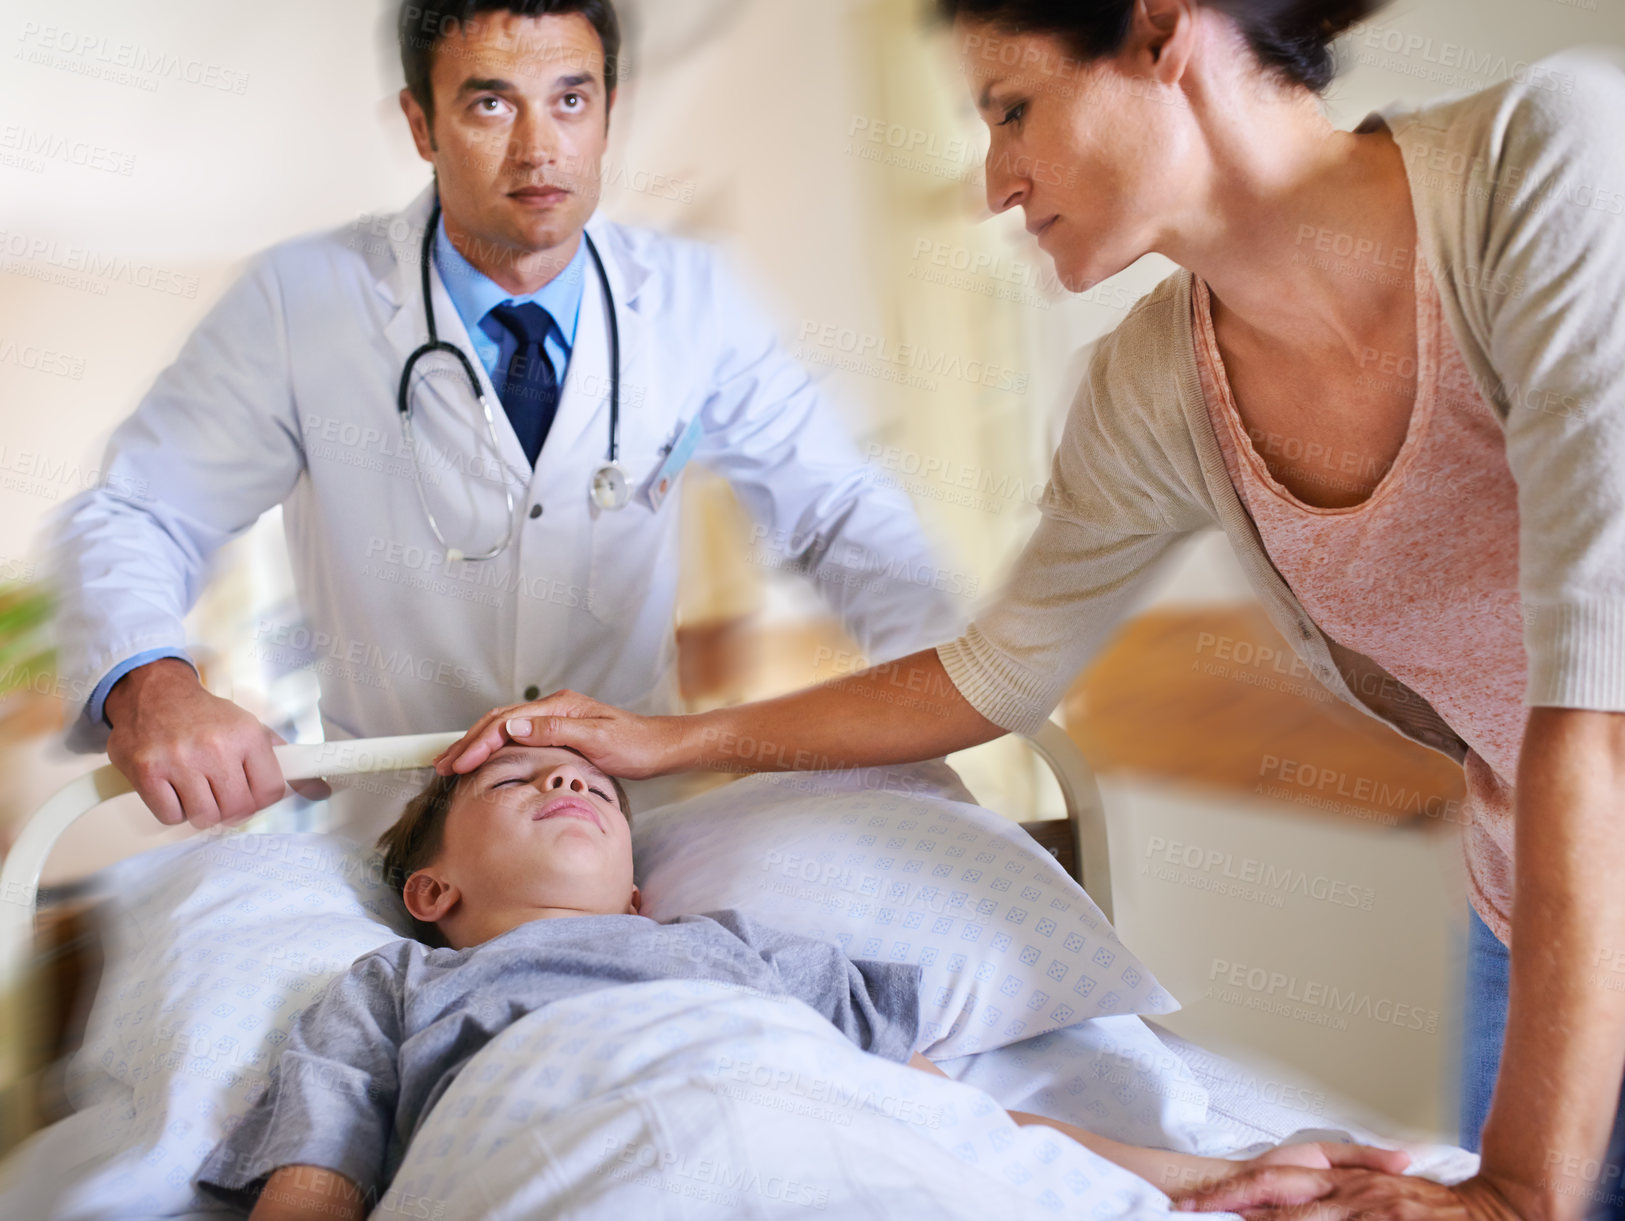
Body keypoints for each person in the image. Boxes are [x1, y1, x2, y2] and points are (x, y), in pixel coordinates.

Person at [431, 4, 1625, 1221]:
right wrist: (669, 740)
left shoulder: (1544, 163)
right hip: (1534, 889)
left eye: (1011, 109)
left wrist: (1521, 1192)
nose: (992, 185)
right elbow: (990, 676)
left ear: (1165, 32)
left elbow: (1603, 710)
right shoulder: (1153, 385)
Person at [49, 0, 960, 832]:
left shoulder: (694, 300)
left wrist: (947, 686)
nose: (540, 149)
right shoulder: (299, 303)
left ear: (610, 109)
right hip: (396, 828)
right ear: (421, 124)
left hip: (632, 824)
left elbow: (840, 511)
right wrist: (150, 683)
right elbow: (140, 510)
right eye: (492, 105)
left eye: (572, 99)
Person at [192, 743, 1406, 1218]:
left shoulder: (744, 953)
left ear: (634, 892)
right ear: (433, 893)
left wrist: (1201, 1178)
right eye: (520, 786)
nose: (569, 786)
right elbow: (319, 1175)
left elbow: (948, 1117)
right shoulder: (393, 987)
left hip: (794, 1095)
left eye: (594, 790)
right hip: (559, 1124)